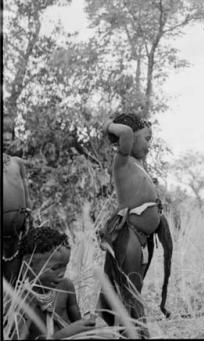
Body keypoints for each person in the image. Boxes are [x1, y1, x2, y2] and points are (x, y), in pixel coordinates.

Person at [97, 113, 172, 338]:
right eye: (147, 139)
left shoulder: (136, 165)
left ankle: (125, 330)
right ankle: (137, 333)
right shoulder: (122, 160)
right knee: (130, 292)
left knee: (130, 289)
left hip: (141, 238)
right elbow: (127, 133)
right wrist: (108, 125)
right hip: (128, 234)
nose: (150, 145)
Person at [11, 226, 97, 339]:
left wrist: (88, 325)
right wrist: (63, 334)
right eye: (55, 268)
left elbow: (78, 322)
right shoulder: (20, 302)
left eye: (65, 266)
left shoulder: (66, 286)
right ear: (29, 265)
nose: (62, 273)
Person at [3, 112, 32, 285]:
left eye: (9, 132)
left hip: (17, 235)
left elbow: (26, 196)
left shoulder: (18, 163)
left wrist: (29, 215)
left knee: (14, 281)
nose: (6, 137)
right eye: (3, 132)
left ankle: (11, 311)